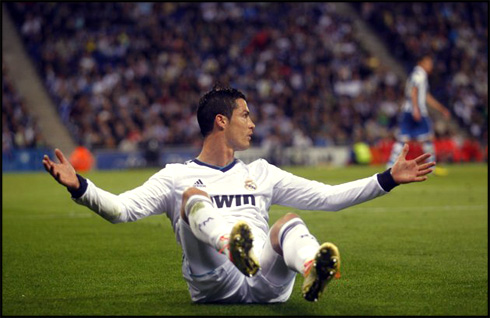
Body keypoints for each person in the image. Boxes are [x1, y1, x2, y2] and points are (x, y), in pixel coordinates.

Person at [43, 86, 435, 304]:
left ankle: (313, 268)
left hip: (264, 281)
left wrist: (388, 178)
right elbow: (121, 210)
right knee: (191, 198)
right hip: (212, 278)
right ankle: (231, 244)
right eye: (245, 115)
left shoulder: (261, 172)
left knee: (289, 223)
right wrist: (80, 186)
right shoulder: (177, 176)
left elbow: (328, 196)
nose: (252, 123)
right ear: (221, 121)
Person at [386, 54, 451, 176]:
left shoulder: (416, 74)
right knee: (428, 138)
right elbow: (414, 91)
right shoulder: (419, 74)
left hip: (407, 111)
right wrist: (416, 109)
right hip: (416, 110)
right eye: (428, 62)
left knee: (403, 139)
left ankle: (389, 166)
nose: (431, 66)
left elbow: (426, 96)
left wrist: (442, 109)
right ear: (421, 62)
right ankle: (431, 166)